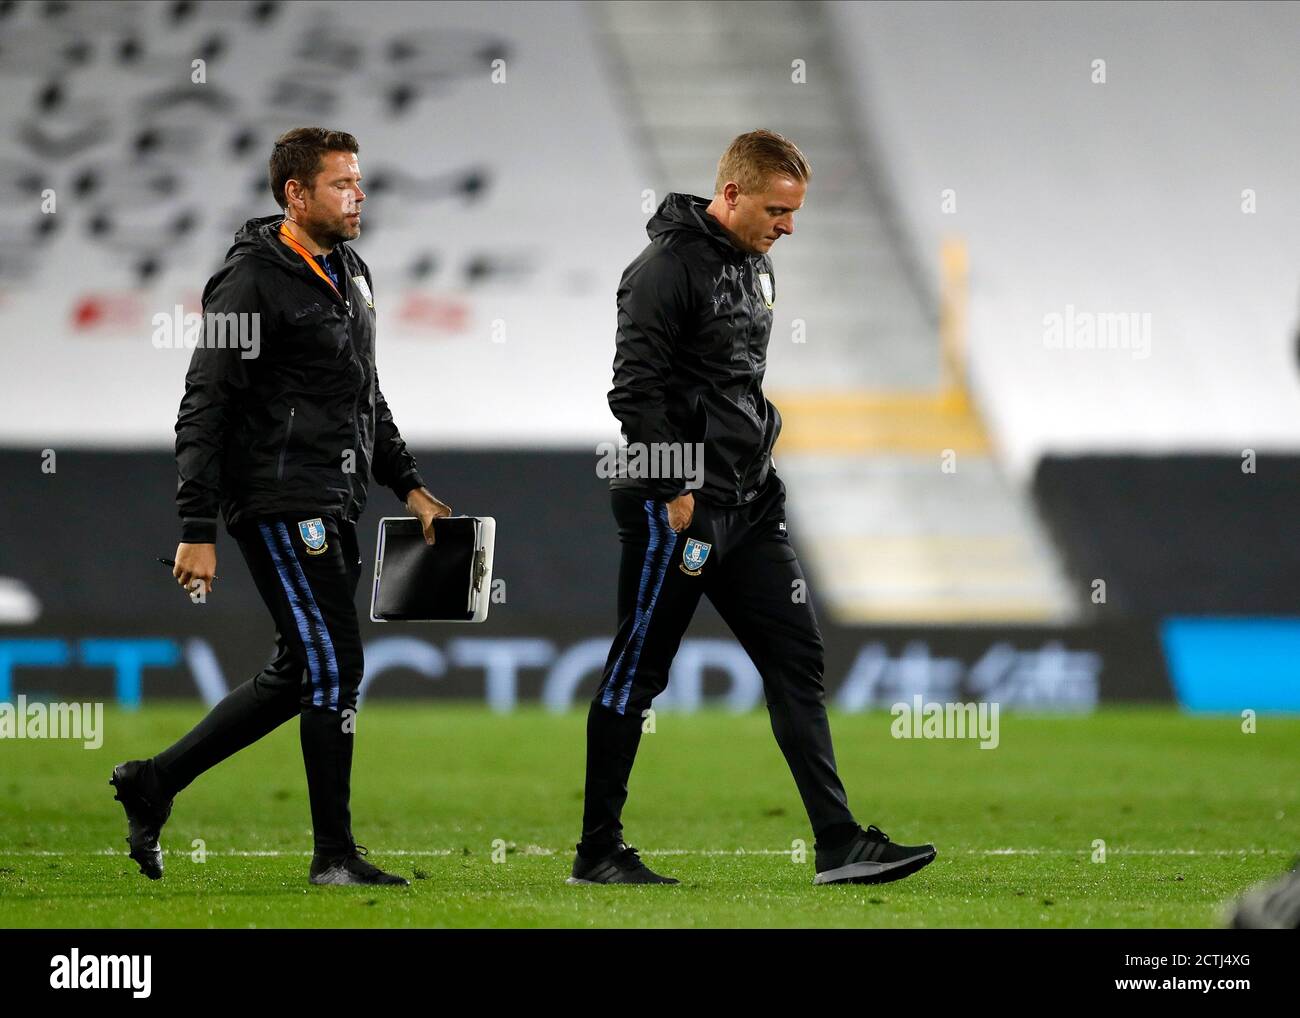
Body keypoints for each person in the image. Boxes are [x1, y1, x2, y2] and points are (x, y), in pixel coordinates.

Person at [570, 130, 937, 885]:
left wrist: (755, 469)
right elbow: (632, 393)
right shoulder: (662, 271)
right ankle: (597, 852)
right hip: (675, 506)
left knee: (797, 660)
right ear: (730, 194)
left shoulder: (755, 267)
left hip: (750, 501)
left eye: (794, 211)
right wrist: (676, 491)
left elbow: (736, 384)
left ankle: (837, 843)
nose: (788, 226)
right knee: (636, 674)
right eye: (777, 209)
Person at [110, 127, 451, 886]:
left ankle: (153, 781)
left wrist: (410, 483)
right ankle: (334, 858)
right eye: (342, 184)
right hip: (277, 497)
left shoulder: (352, 271)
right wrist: (197, 526)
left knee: (301, 670)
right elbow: (204, 403)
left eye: (359, 181)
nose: (358, 194)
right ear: (296, 195)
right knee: (336, 665)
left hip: (335, 497)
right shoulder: (249, 281)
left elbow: (365, 393)